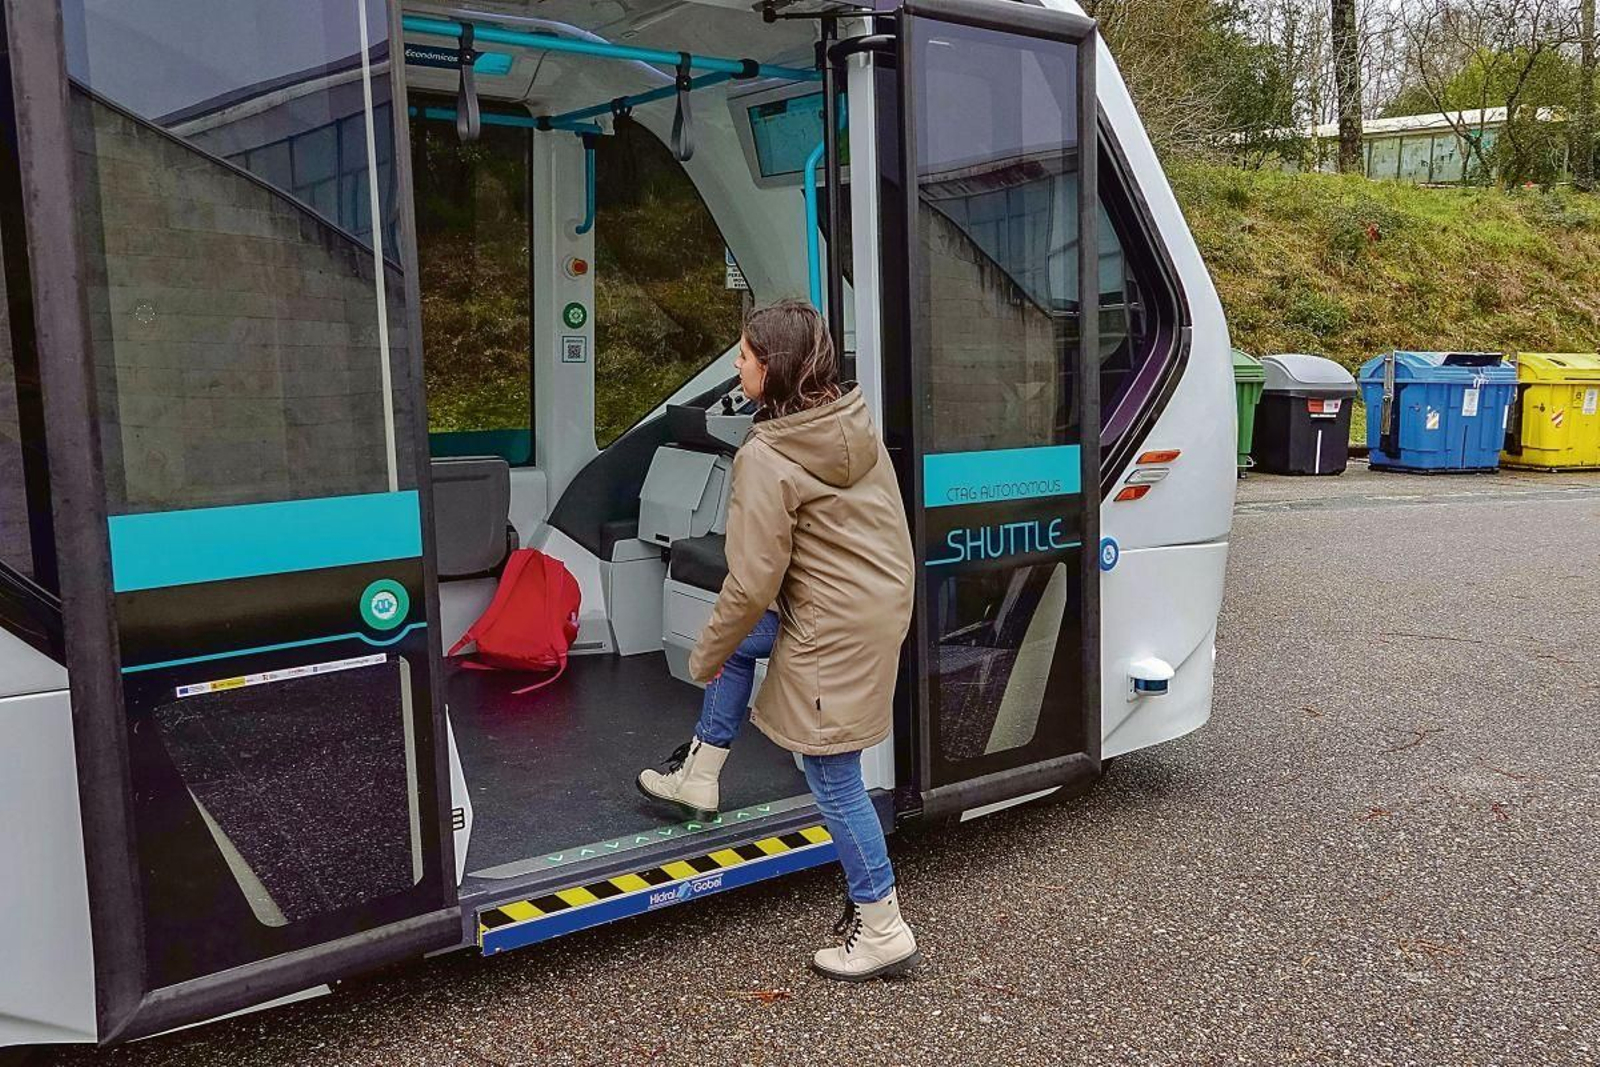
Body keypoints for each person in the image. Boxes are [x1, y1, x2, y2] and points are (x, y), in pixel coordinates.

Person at [635, 299, 919, 982]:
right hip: (869, 601)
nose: (736, 363)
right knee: (743, 643)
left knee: (831, 772)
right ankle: (700, 775)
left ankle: (881, 924)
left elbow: (751, 580)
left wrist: (700, 652)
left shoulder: (767, 455)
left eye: (745, 354)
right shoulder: (846, 418)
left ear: (775, 367)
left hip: (834, 623)